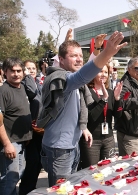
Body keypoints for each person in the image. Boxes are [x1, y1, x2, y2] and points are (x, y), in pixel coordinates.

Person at [37, 31, 127, 187]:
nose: (79, 59)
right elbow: (84, 75)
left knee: (69, 187)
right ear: (61, 60)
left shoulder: (72, 78)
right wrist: (107, 53)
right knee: (60, 189)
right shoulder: (61, 78)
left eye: (80, 55)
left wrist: (82, 128)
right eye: (73, 56)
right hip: (60, 149)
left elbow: (84, 70)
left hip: (72, 145)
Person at [79, 63, 123, 169]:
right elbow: (91, 117)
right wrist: (103, 100)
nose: (103, 74)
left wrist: (117, 99)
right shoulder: (87, 92)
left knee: (108, 170)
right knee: (91, 172)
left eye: (106, 72)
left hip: (108, 139)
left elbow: (118, 115)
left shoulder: (110, 92)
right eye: (100, 71)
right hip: (91, 140)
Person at [0, 58, 33, 195]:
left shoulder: (22, 87)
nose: (16, 74)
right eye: (12, 71)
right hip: (10, 143)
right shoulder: (3, 91)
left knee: (15, 177)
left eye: (19, 71)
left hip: (21, 143)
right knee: (9, 180)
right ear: (4, 72)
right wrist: (7, 144)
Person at [18, 60, 44, 195]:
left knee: (37, 164)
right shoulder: (23, 85)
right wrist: (27, 77)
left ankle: (30, 189)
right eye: (28, 69)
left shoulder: (38, 83)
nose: (32, 70)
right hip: (28, 132)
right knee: (31, 164)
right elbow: (36, 98)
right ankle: (25, 190)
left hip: (39, 131)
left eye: (33, 68)